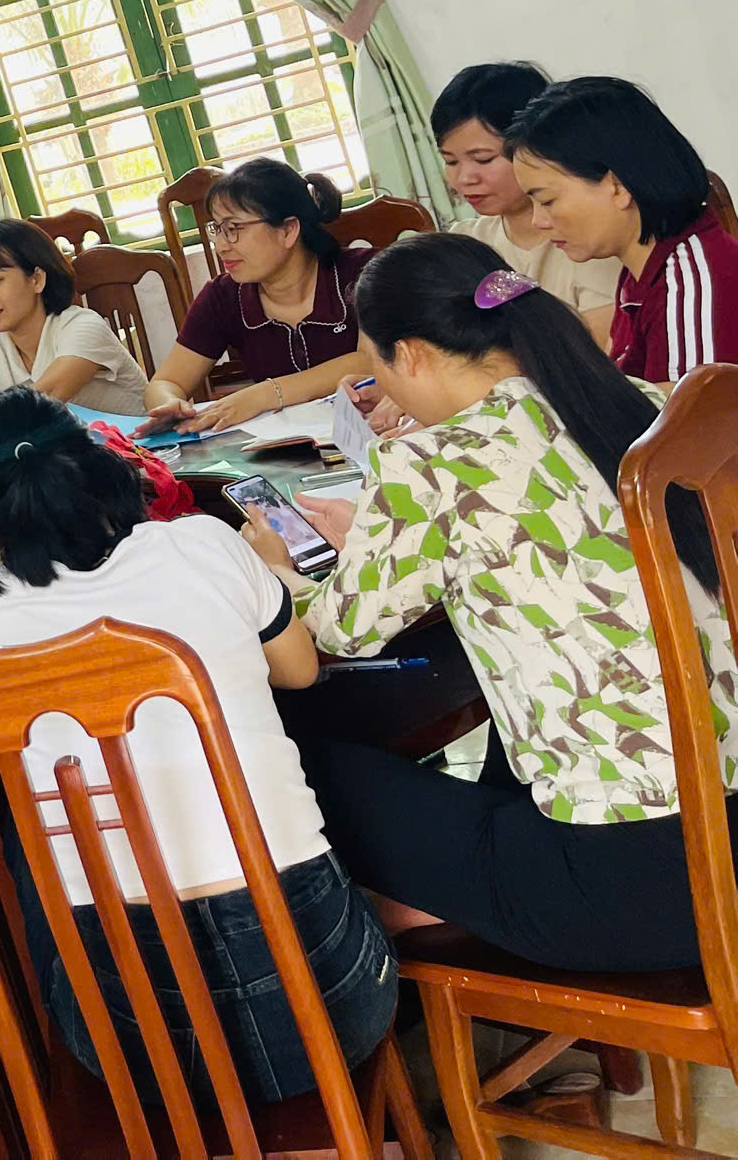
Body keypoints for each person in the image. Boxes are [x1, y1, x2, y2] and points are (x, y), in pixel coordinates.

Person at [278, 234, 738, 969]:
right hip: (723, 838)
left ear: (411, 355)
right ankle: (435, 906)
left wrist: (282, 571)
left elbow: (331, 634)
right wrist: (384, 534)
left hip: (635, 892)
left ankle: (389, 934)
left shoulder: (431, 463)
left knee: (295, 766)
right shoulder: (643, 406)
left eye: (375, 366)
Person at [0, 391, 396, 1102]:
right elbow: (300, 671)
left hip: (139, 1052)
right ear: (98, 465)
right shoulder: (202, 545)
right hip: (332, 1010)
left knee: (25, 835)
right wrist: (265, 568)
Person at [505, 74, 738, 384]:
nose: (538, 220)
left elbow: (693, 412)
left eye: (547, 200)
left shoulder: (690, 282)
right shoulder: (640, 272)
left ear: (618, 186)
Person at [144, 161, 372, 431]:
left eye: (234, 229)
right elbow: (165, 382)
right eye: (217, 229)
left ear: (288, 230)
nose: (221, 246)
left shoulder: (366, 272)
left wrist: (265, 394)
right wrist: (170, 404)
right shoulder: (224, 296)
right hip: (289, 444)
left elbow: (371, 360)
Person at [433, 62, 618, 340]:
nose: (465, 178)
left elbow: (598, 352)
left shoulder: (590, 244)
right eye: (450, 161)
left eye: (483, 159)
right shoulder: (464, 243)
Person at [0, 222, 149, 446]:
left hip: (147, 456)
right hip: (77, 462)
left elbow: (41, 402)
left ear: (37, 279)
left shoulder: (82, 326)